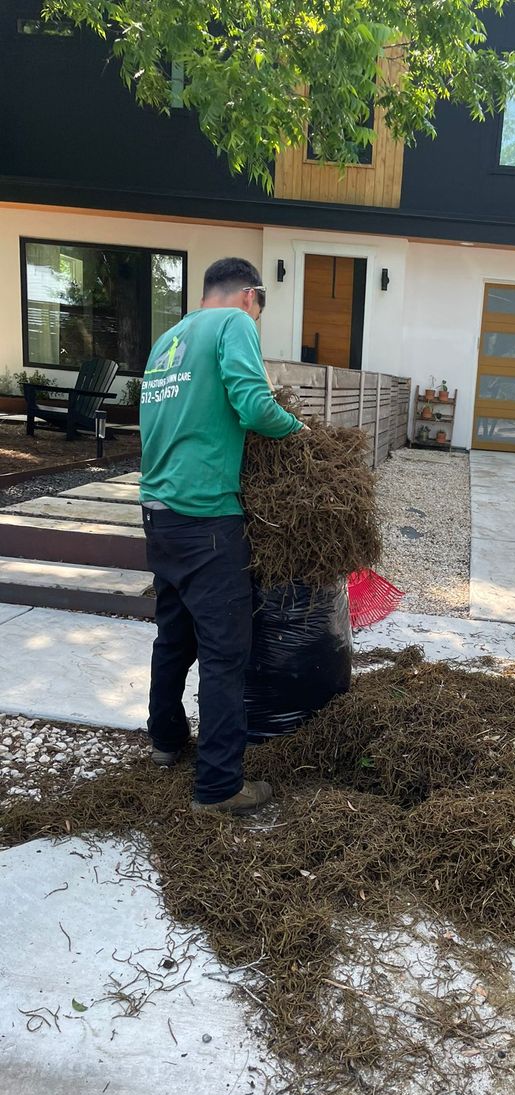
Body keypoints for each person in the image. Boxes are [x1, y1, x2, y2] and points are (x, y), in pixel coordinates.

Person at [139, 257, 303, 813]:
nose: (256, 325)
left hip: (158, 514)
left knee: (174, 637)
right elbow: (255, 406)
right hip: (208, 518)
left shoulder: (168, 340)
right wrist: (299, 432)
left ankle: (164, 742)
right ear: (250, 297)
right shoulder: (233, 325)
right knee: (225, 654)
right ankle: (218, 787)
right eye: (260, 313)